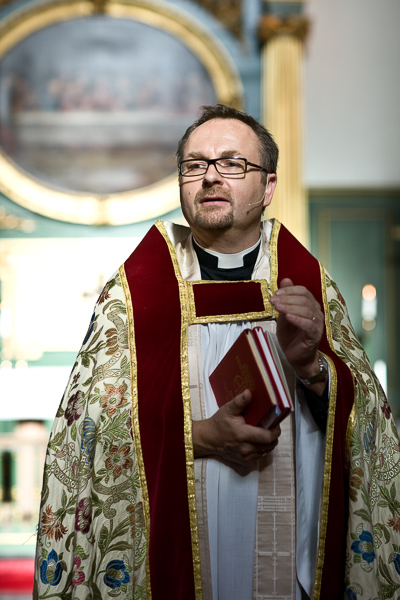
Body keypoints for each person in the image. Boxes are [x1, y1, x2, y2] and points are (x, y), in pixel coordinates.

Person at [34, 105, 400, 600]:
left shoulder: (310, 286)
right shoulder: (134, 293)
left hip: (287, 550)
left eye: (232, 163)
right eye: (194, 164)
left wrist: (312, 368)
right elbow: (86, 432)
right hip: (170, 552)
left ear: (268, 187)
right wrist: (198, 437)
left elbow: (371, 430)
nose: (210, 176)